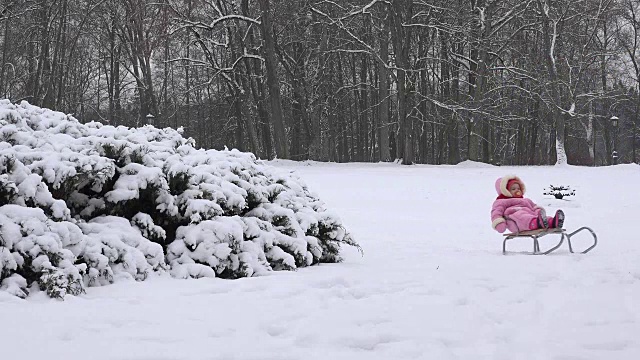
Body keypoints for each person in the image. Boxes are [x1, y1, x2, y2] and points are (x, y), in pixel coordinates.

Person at [491, 175, 564, 233]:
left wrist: (538, 210)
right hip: (514, 221)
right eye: (513, 189)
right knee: (522, 215)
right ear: (505, 191)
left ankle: (553, 222)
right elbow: (496, 212)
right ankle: (536, 222)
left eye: (518, 188)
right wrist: (499, 223)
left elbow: (534, 206)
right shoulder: (501, 201)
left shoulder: (526, 200)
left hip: (530, 214)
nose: (517, 190)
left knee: (535, 214)